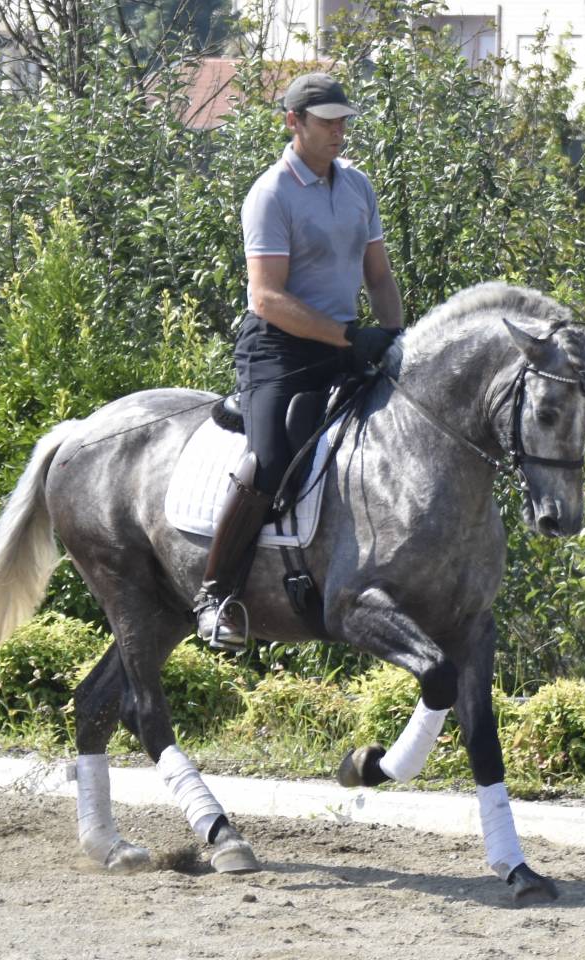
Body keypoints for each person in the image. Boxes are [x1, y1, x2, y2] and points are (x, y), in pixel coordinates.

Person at [194, 71, 404, 651]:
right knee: (270, 458)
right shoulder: (271, 194)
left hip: (345, 344)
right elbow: (267, 297)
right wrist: (347, 336)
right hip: (278, 350)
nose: (340, 131)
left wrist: (393, 336)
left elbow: (379, 275)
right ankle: (215, 595)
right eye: (327, 122)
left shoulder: (358, 185)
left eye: (343, 121)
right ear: (294, 122)